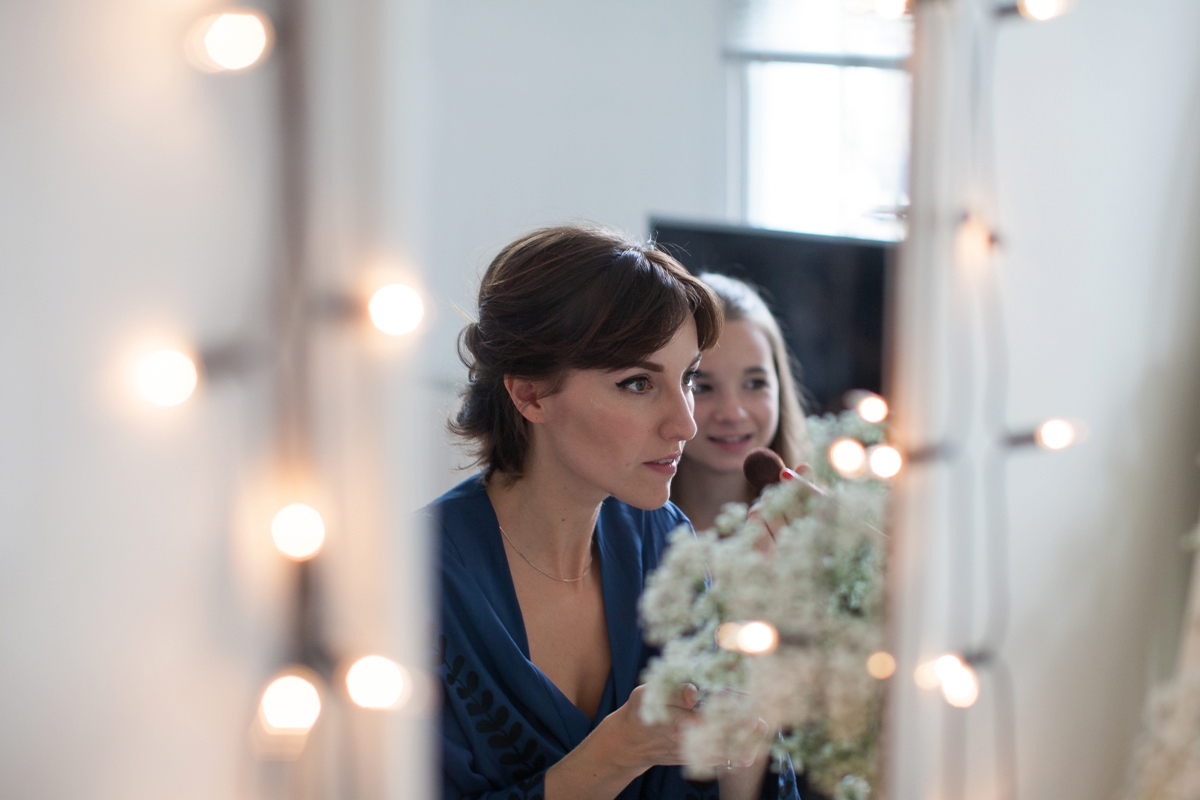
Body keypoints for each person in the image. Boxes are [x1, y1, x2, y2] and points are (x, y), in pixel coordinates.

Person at [429, 225, 799, 800]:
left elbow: (734, 783)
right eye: (636, 383)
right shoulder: (411, 579)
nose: (686, 423)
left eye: (687, 379)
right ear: (529, 394)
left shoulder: (666, 542)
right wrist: (616, 752)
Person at [670, 273, 809, 533]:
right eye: (702, 387)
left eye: (755, 384)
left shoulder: (816, 530)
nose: (732, 413)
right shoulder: (624, 534)